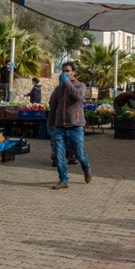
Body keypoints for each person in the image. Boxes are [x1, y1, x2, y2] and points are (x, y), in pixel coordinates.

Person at [47, 61, 92, 189]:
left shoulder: (80, 85)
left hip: (75, 126)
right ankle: (63, 180)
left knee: (80, 154)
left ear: (74, 72)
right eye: (63, 70)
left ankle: (86, 168)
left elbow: (78, 96)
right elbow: (53, 106)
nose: (64, 73)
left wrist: (66, 82)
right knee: (59, 155)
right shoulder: (58, 89)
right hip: (59, 127)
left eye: (67, 70)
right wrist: (50, 124)